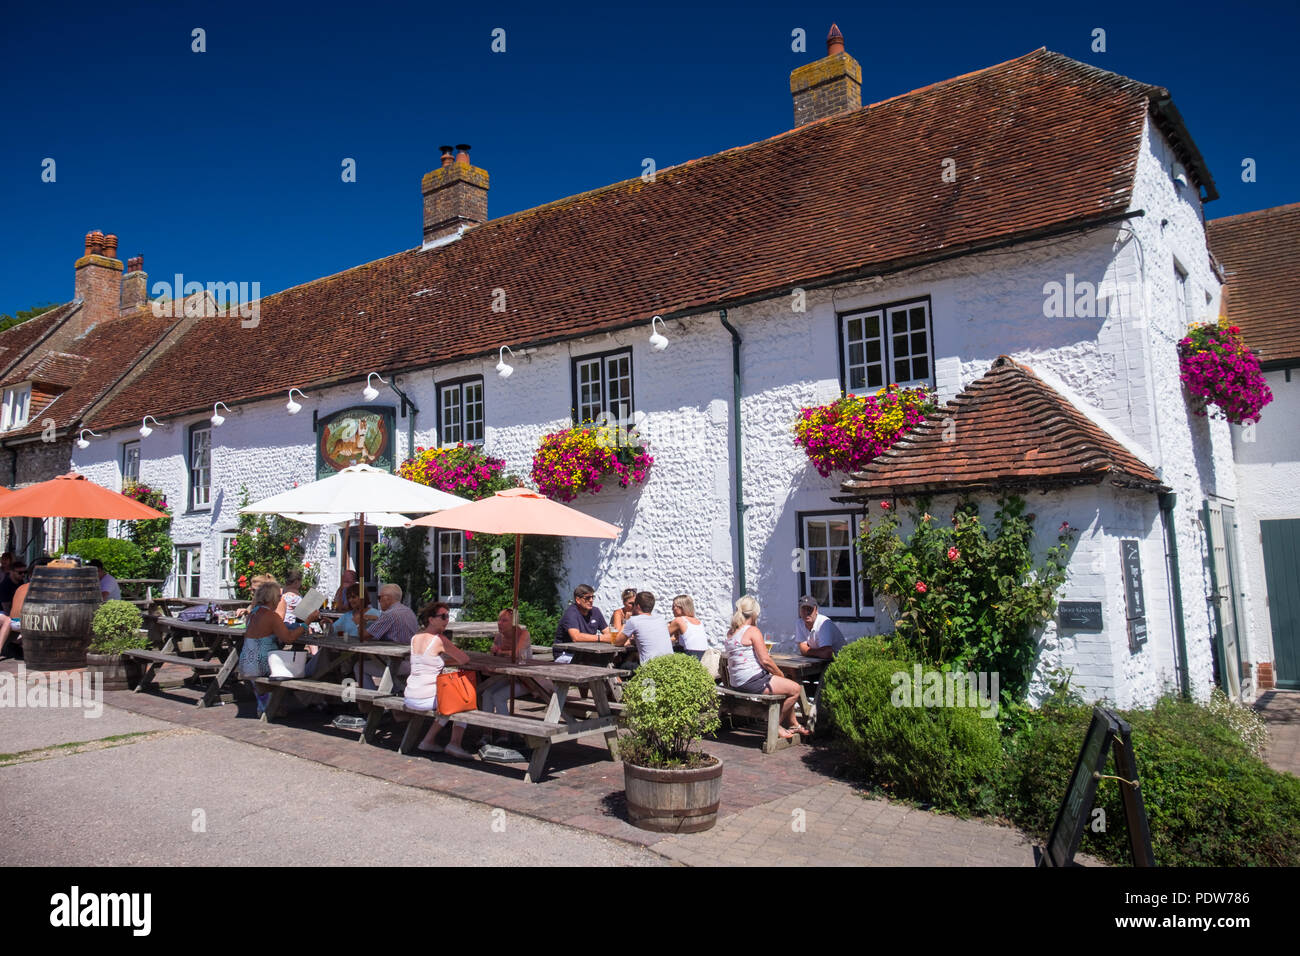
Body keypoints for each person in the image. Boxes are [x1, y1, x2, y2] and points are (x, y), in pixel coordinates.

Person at [724, 595, 807, 738]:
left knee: (784, 686)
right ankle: (775, 726)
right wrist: (780, 673)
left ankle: (794, 724)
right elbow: (765, 660)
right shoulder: (752, 631)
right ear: (755, 614)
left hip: (736, 682)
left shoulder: (731, 632)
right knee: (795, 689)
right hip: (752, 680)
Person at [404, 601, 474, 759]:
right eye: (443, 616)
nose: (447, 619)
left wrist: (442, 661)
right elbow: (464, 659)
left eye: (448, 616)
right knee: (464, 701)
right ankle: (454, 744)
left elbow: (427, 659)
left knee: (448, 701)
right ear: (431, 619)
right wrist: (447, 661)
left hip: (410, 695)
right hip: (426, 697)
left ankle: (428, 740)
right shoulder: (440, 640)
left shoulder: (415, 638)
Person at [239, 581, 310, 716]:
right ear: (272, 598)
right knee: (301, 669)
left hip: (247, 660)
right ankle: (274, 706)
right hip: (262, 664)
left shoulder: (253, 614)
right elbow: (288, 638)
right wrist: (306, 624)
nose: (280, 600)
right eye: (278, 597)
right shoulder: (271, 616)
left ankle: (267, 705)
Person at [356, 583, 419, 689]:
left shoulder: (389, 615)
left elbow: (364, 636)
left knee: (359, 666)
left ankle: (369, 701)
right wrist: (376, 619)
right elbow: (394, 625)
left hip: (397, 664)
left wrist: (359, 622)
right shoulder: (408, 611)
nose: (378, 601)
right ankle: (396, 689)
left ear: (388, 598)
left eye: (379, 597)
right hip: (413, 661)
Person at [613, 591, 674, 666]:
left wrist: (626, 621)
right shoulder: (660, 619)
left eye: (633, 604)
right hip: (669, 665)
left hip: (650, 668)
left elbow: (617, 642)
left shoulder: (633, 621)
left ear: (637, 606)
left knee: (619, 667)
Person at [795, 595, 848, 660]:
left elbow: (827, 653)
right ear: (799, 611)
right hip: (820, 660)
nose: (806, 612)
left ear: (816, 610)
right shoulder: (799, 623)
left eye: (809, 609)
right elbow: (802, 649)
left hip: (839, 661)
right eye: (803, 609)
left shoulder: (824, 623)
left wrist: (808, 651)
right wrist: (819, 652)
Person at [667, 594, 709, 660]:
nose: (672, 609)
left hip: (689, 654)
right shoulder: (698, 621)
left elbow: (662, 637)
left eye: (674, 606)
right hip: (701, 654)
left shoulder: (679, 620)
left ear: (681, 607)